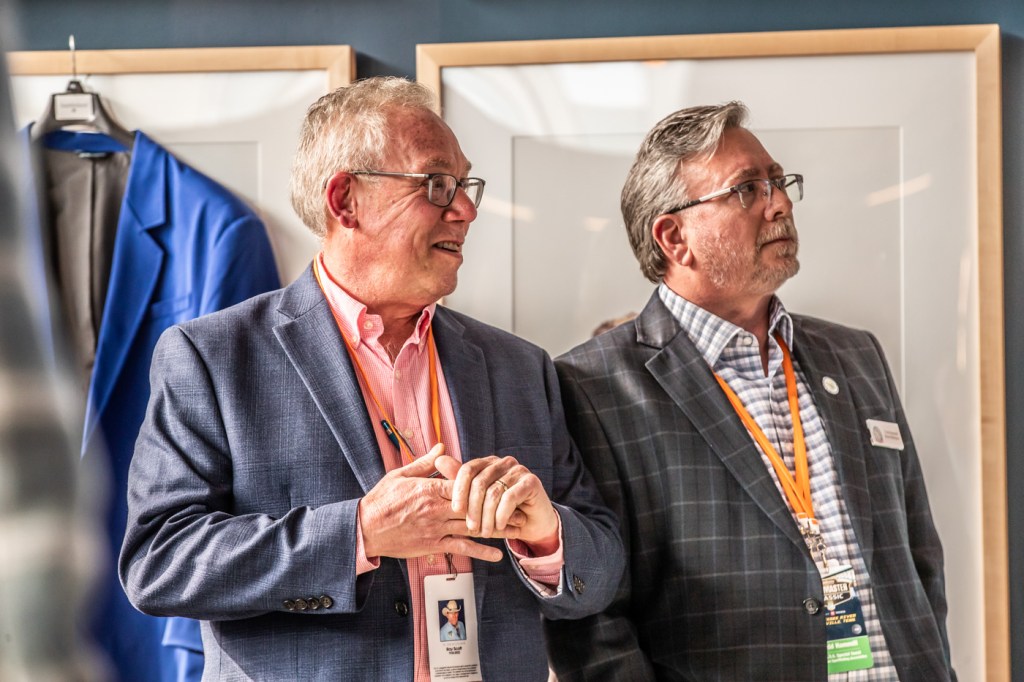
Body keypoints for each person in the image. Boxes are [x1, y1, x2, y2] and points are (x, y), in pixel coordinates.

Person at [119, 76, 623, 682]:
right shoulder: (213, 357)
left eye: (466, 187)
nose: (465, 210)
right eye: (436, 184)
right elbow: (160, 562)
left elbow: (601, 569)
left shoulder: (520, 366)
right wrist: (359, 533)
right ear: (345, 200)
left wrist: (546, 534)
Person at [544, 102, 955, 680]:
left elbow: (919, 555)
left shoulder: (856, 355)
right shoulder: (591, 387)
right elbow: (593, 618)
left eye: (778, 182)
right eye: (747, 190)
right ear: (674, 237)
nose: (779, 203)